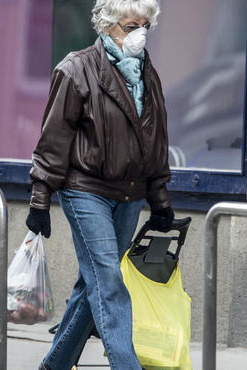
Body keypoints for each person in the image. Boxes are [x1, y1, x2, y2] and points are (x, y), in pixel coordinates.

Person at [25, 1, 174, 369]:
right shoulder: (76, 69)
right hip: (85, 189)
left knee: (90, 284)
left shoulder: (147, 75)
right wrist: (40, 198)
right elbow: (53, 141)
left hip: (129, 193)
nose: (139, 34)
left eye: (144, 25)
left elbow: (155, 141)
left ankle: (54, 365)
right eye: (129, 25)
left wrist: (159, 199)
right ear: (107, 26)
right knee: (108, 282)